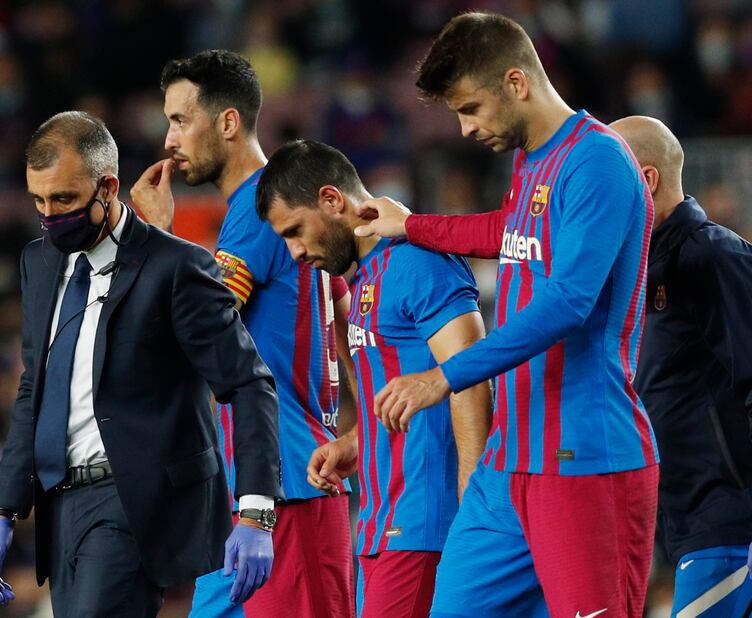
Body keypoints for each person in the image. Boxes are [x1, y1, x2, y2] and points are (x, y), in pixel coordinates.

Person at [353, 12, 659, 618]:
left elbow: (570, 300)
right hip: (508, 460)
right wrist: (411, 223)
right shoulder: (531, 161)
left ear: (516, 82)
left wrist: (444, 376)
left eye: (470, 108)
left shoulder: (598, 161)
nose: (465, 129)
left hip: (583, 459)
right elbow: (509, 231)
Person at [0, 112, 282, 616]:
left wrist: (256, 510)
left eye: (64, 199)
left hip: (134, 500)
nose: (49, 215)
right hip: (60, 504)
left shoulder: (176, 266)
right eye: (39, 201)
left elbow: (249, 383)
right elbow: (35, 387)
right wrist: (4, 508)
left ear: (108, 186)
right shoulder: (39, 260)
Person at [130, 50, 356, 618]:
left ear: (228, 122)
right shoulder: (271, 206)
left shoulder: (260, 210)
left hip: (288, 487)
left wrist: (157, 237)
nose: (168, 140)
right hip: (254, 489)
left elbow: (198, 335)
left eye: (181, 120)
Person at [256, 139, 492, 617]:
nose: (295, 251)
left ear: (331, 199)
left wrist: (474, 507)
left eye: (296, 230)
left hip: (428, 522)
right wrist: (357, 442)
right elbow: (412, 396)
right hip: (382, 520)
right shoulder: (366, 276)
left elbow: (470, 378)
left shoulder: (418, 261)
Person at [608, 115, 752, 617]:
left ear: (645, 180)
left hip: (730, 521)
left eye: (606, 175)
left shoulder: (711, 255)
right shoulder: (638, 272)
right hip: (682, 520)